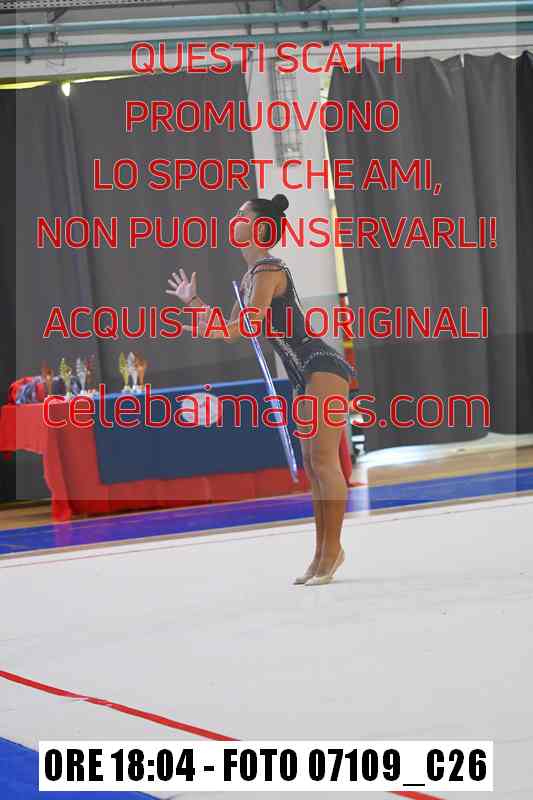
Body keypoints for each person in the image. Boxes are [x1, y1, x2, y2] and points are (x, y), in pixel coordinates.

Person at [165, 194, 357, 586]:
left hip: (320, 365)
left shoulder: (269, 269)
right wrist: (194, 301)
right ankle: (323, 553)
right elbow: (234, 332)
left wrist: (208, 323)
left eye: (241, 214)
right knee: (313, 465)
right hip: (302, 373)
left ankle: (332, 550)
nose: (234, 218)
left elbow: (245, 326)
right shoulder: (251, 278)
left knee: (324, 463)